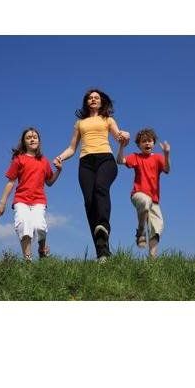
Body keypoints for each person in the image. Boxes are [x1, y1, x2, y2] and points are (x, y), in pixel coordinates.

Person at [55, 89, 130, 262]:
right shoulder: (80, 123)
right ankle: (102, 252)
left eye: (96, 97)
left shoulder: (108, 119)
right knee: (89, 202)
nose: (93, 99)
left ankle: (103, 225)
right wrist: (60, 157)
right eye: (90, 98)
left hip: (106, 160)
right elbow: (72, 148)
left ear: (102, 101)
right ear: (86, 102)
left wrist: (124, 137)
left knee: (100, 188)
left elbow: (119, 136)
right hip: (85, 163)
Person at [0, 127, 62, 261]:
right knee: (24, 225)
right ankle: (28, 259)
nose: (32, 139)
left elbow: (49, 182)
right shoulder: (19, 159)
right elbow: (10, 182)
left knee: (39, 226)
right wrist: (2, 203)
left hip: (39, 201)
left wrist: (58, 171)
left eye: (35, 137)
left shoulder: (44, 161)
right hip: (21, 200)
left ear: (39, 141)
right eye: (28, 137)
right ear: (24, 142)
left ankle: (42, 249)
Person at [116, 128, 171, 258]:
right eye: (144, 141)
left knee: (157, 229)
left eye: (149, 141)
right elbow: (120, 161)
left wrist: (166, 154)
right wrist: (121, 146)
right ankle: (141, 231)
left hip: (155, 200)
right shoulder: (136, 157)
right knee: (145, 202)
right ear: (139, 145)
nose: (147, 143)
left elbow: (167, 170)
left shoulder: (158, 158)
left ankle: (152, 261)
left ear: (153, 143)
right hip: (138, 194)